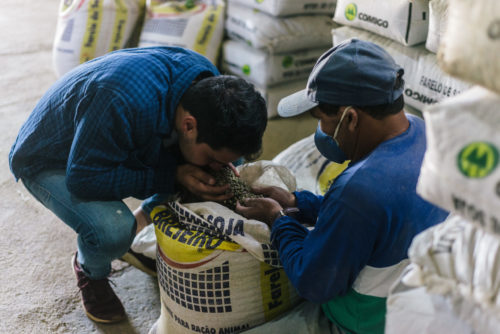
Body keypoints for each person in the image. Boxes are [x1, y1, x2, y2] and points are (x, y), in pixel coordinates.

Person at [9, 46, 267, 324]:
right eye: (215, 157)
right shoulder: (122, 100)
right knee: (113, 231)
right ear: (189, 126)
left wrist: (222, 168)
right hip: (51, 157)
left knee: (217, 173)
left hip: (104, 136)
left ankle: (142, 224)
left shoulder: (207, 83)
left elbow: (222, 157)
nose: (217, 164)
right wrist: (173, 175)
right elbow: (85, 178)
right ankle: (89, 270)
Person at [235, 39, 449, 334]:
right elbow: (375, 220)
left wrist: (277, 219)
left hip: (372, 323)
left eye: (322, 119)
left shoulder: (358, 191)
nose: (320, 131)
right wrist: (298, 201)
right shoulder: (424, 132)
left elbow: (313, 281)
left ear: (350, 118)